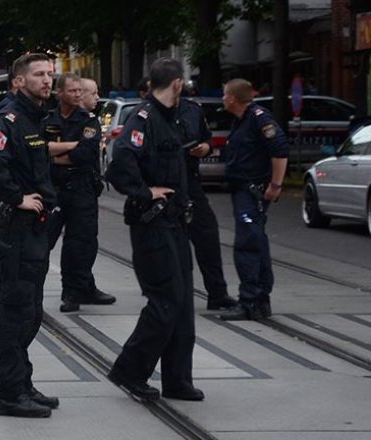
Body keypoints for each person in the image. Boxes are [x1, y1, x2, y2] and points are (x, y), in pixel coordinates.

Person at [104, 58, 203, 403]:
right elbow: (120, 163)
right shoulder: (143, 118)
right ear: (176, 84)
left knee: (183, 303)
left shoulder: (171, 118)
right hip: (153, 223)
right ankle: (130, 371)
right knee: (166, 299)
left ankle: (177, 379)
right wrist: (145, 192)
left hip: (175, 222)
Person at [0, 53, 58, 418]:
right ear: (20, 80)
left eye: (50, 74)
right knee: (16, 312)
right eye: (39, 74)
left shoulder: (35, 116)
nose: (47, 80)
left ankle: (22, 383)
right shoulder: (10, 117)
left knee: (31, 312)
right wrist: (16, 198)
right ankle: (10, 394)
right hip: (18, 230)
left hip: (35, 230)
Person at [219, 78, 289, 321]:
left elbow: (280, 149)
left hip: (252, 192)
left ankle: (249, 301)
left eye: (224, 94)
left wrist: (276, 185)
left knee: (248, 245)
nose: (222, 98)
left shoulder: (259, 118)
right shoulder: (242, 120)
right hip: (243, 191)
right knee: (257, 242)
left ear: (232, 98)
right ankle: (260, 300)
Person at [44, 74, 115, 312]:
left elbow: (85, 153)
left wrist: (54, 153)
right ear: (60, 93)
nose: (77, 94)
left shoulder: (89, 121)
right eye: (72, 91)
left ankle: (74, 292)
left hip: (82, 188)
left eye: (79, 91)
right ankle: (27, 291)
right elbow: (39, 150)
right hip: (53, 189)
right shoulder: (47, 119)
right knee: (42, 241)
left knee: (80, 244)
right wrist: (69, 147)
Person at [176, 97, 239, 311]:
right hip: (164, 183)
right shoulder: (150, 112)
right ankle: (173, 294)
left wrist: (204, 147)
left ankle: (217, 293)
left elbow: (206, 139)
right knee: (171, 242)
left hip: (191, 181)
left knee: (207, 235)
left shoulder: (193, 110)